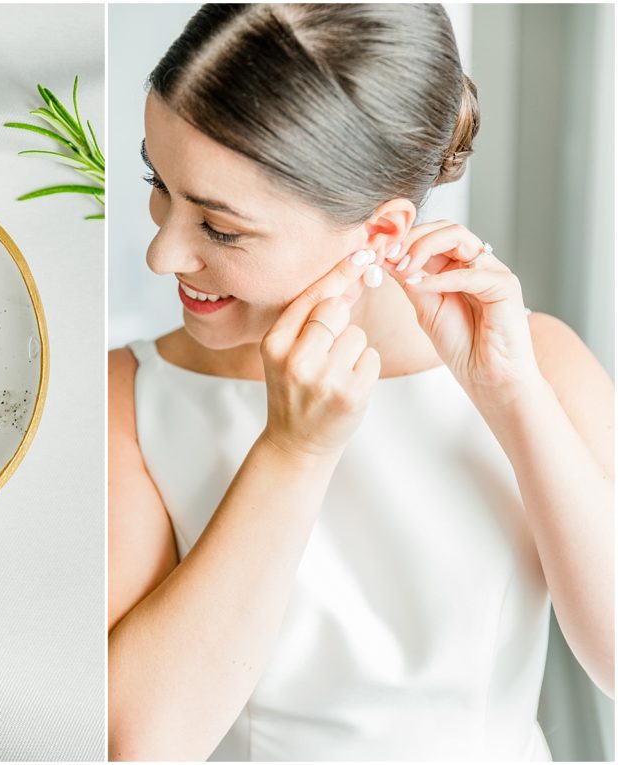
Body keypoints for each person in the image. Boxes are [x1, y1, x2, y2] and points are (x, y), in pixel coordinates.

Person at [107, 4, 614, 761]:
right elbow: (135, 741)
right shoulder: (130, 395)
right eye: (160, 183)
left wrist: (516, 400)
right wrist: (292, 451)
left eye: (220, 227)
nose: (163, 253)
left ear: (380, 233)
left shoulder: (543, 367)